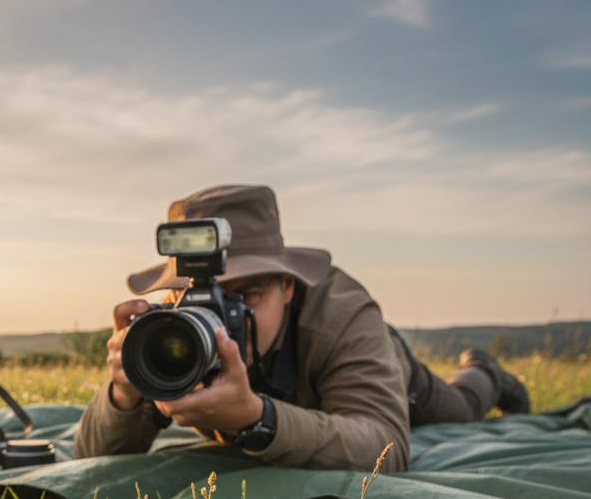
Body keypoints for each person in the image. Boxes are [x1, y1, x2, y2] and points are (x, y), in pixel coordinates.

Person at [74, 185, 529, 471]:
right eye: (195, 293)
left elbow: (384, 444)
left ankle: (487, 371)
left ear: (287, 285)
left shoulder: (342, 316)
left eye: (246, 295)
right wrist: (124, 393)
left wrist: (257, 419)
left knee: (462, 407)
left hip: (386, 372)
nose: (215, 316)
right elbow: (92, 458)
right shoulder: (176, 336)